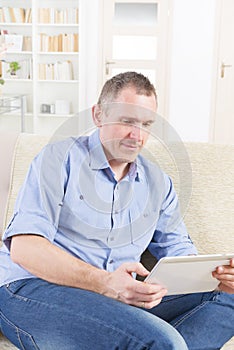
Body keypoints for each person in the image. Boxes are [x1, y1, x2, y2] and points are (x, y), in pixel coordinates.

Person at [0, 72, 233, 350]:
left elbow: (177, 249)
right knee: (163, 342)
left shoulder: (158, 182)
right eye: (127, 122)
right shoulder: (59, 159)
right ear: (98, 115)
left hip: (117, 299)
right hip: (34, 288)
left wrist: (211, 276)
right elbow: (26, 249)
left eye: (146, 124)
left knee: (228, 298)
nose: (137, 136)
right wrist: (106, 282)